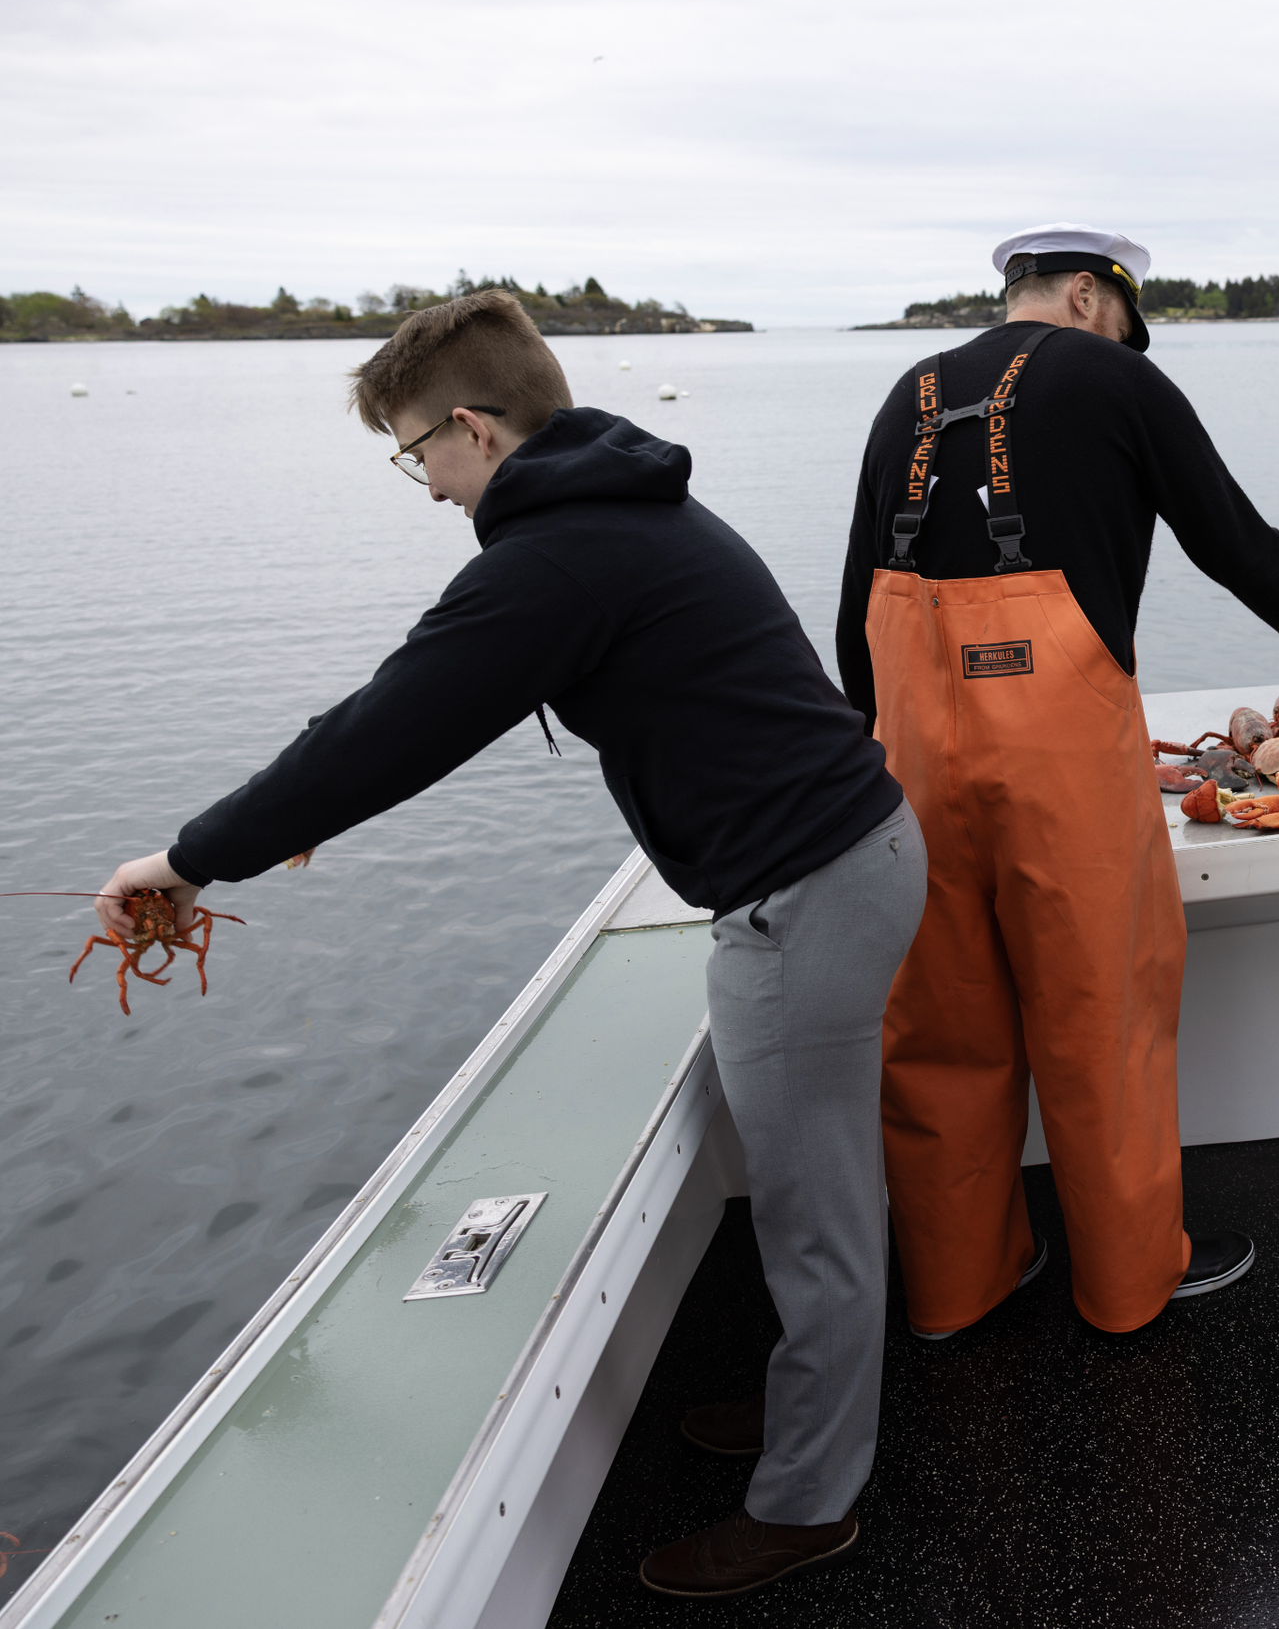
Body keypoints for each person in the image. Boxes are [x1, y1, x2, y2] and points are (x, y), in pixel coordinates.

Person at [86, 290, 919, 1600]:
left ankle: (809, 1501)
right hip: (838, 860)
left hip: (805, 890)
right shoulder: (617, 513)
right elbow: (409, 700)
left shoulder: (560, 553)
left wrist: (187, 857)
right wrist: (306, 790)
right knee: (816, 1188)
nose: (421, 486)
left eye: (419, 452)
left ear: (472, 426)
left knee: (819, 1212)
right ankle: (809, 1401)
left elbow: (393, 729)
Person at [834, 224, 1279, 1342]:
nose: (1132, 343)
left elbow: (854, 613)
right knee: (1099, 1014)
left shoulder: (908, 391)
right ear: (1087, 296)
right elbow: (1236, 544)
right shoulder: (1118, 383)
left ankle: (956, 1285)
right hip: (1058, 761)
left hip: (910, 763)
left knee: (938, 1029)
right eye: (1130, 321)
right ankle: (1127, 1283)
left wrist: (870, 757)